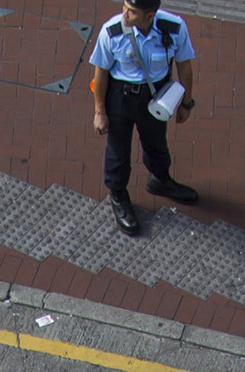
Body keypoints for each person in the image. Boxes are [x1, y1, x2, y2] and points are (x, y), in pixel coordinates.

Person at [87, 1, 199, 240]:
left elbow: (185, 66)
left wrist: (186, 103)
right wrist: (100, 111)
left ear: (150, 16)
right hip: (121, 98)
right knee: (118, 151)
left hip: (155, 96)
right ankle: (117, 194)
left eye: (132, 11)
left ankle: (160, 180)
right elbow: (101, 72)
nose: (125, 13)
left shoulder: (174, 28)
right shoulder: (112, 31)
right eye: (125, 6)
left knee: (157, 144)